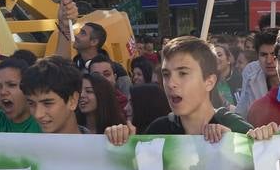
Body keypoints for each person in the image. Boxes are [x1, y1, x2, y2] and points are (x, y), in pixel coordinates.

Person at [106, 36, 250, 143]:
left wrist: (241, 142)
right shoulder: (158, 130)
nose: (171, 84)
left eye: (183, 73)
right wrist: (124, 146)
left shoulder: (236, 127)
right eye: (166, 74)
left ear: (209, 81)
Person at [237, 29, 280, 108]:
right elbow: (242, 111)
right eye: (263, 55)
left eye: (274, 55)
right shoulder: (251, 76)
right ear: (257, 56)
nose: (269, 61)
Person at [78, 71, 125, 135]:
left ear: (103, 95)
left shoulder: (119, 130)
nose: (81, 95)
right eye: (79, 91)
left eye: (89, 91)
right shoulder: (72, 127)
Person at [88, 57, 131, 123]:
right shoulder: (83, 105)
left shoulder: (125, 105)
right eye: (96, 76)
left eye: (106, 74)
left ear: (115, 77)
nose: (102, 79)